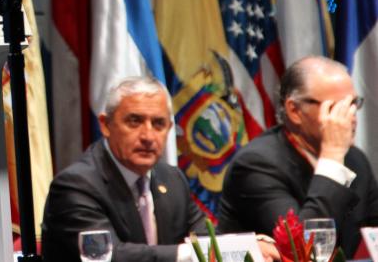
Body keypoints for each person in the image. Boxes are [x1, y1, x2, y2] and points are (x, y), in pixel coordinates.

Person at [218, 56, 378, 256]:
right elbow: (301, 250)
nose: (351, 115)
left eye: (354, 103)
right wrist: (333, 156)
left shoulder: (355, 160)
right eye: (336, 106)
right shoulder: (256, 164)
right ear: (294, 110)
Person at [41, 77, 205, 262]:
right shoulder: (75, 186)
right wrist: (184, 254)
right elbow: (106, 256)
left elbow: (206, 241)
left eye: (158, 124)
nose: (148, 136)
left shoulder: (172, 179)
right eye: (135, 121)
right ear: (105, 125)